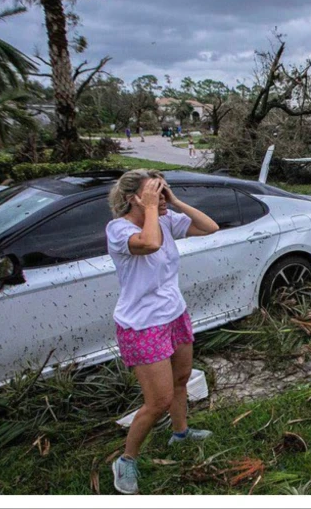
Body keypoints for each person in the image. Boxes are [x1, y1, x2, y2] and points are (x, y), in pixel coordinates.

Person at [106, 169, 220, 494]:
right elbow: (150, 243)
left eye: (162, 189)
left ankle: (180, 433)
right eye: (153, 191)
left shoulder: (166, 220)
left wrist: (174, 201)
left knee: (182, 380)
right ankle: (126, 460)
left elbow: (209, 226)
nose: (160, 195)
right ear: (133, 199)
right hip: (142, 325)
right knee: (158, 401)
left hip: (174, 314)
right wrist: (154, 209)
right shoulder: (118, 229)